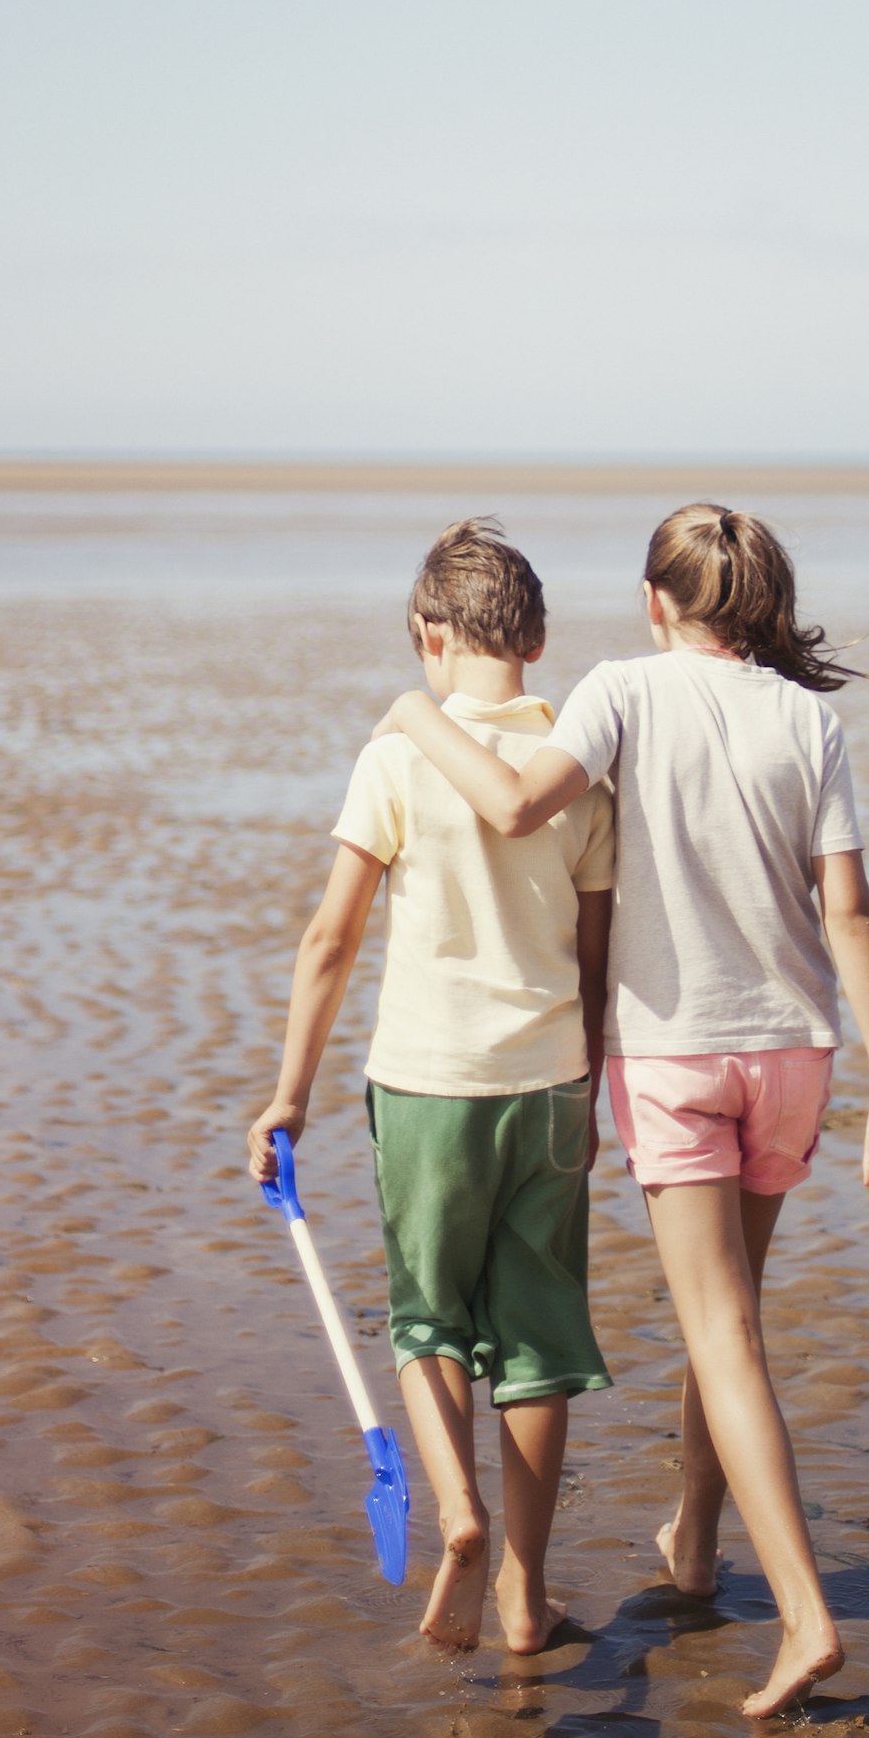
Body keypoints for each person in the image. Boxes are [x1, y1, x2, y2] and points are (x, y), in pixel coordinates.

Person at [376, 500, 869, 1718]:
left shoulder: (621, 691)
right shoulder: (809, 720)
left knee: (722, 1334)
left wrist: (414, 712)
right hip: (796, 1055)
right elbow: (853, 915)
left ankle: (805, 1614)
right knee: (730, 1322)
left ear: (656, 603)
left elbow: (516, 806)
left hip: (678, 1059)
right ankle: (694, 1544)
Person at [246, 519, 615, 1655]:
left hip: (425, 1085)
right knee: (538, 1344)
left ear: (428, 635)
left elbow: (329, 939)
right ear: (538, 639)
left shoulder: (401, 754)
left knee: (428, 1322)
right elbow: (598, 953)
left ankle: (453, 1508)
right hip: (547, 1083)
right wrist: (590, 1083)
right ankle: (522, 1588)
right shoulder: (576, 768)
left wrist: (288, 1094)